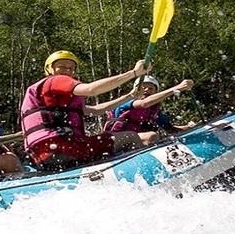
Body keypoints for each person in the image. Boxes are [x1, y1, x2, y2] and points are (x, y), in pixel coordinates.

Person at [20, 50, 155, 171]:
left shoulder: (52, 97)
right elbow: (91, 89)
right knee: (130, 137)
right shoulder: (55, 81)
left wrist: (129, 96)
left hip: (44, 154)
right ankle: (140, 173)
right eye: (62, 67)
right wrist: (134, 73)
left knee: (104, 142)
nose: (67, 71)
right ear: (49, 69)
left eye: (71, 68)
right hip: (63, 148)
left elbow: (96, 110)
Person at [104, 76, 195, 144]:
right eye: (143, 88)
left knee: (162, 137)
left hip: (133, 139)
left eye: (151, 88)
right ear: (135, 91)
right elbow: (144, 103)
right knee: (151, 136)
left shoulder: (153, 111)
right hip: (113, 139)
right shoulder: (126, 102)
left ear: (156, 93)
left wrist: (190, 127)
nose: (146, 90)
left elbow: (171, 129)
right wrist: (176, 88)